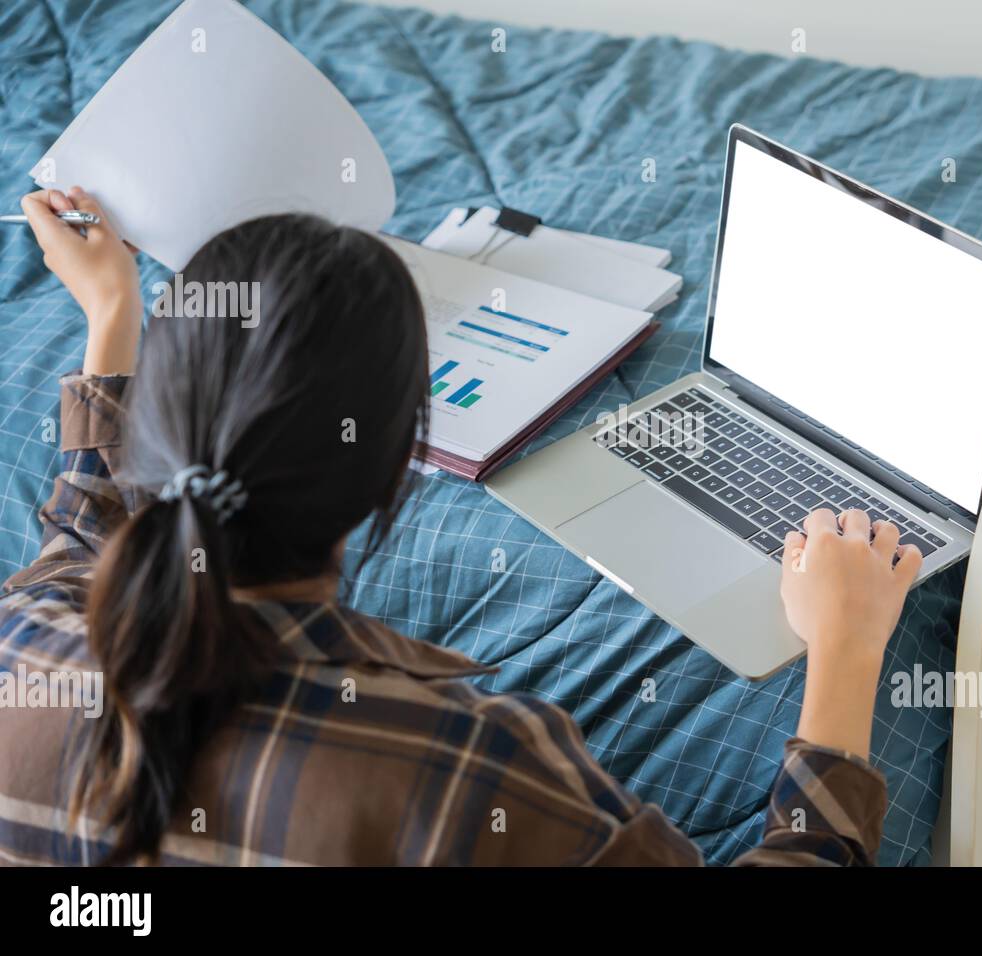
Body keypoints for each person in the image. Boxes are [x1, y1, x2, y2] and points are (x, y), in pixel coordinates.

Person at [0, 187, 922, 866]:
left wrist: (113, 312)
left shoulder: (19, 642)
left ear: (158, 431)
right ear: (399, 458)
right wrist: (845, 650)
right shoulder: (464, 769)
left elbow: (77, 549)